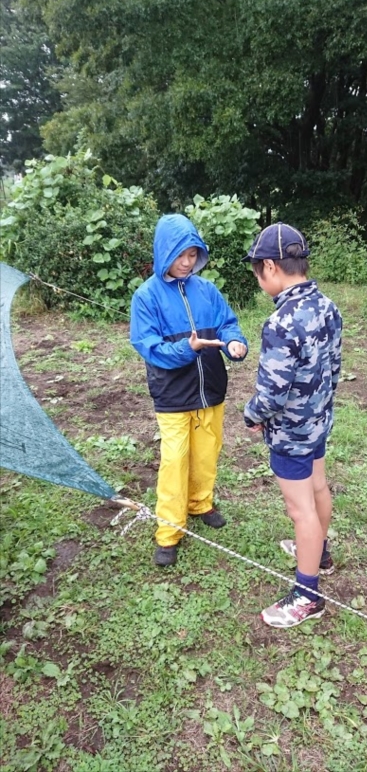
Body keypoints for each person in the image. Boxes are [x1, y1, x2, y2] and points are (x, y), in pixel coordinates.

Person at [130, 213, 248, 566]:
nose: (187, 262)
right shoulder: (146, 296)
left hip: (211, 390)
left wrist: (235, 344)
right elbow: (147, 346)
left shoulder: (207, 290)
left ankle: (201, 503)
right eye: (181, 255)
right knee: (175, 460)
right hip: (172, 396)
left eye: (193, 255)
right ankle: (168, 532)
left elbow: (228, 324)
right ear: (165, 252)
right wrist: (187, 348)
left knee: (206, 452)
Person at [242, 222, 342, 628]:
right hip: (318, 422)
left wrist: (252, 416)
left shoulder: (281, 323)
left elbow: (272, 392)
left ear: (270, 267)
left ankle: (307, 594)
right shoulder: (327, 306)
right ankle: (320, 553)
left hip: (291, 433)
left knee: (299, 509)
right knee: (318, 487)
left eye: (257, 271)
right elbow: (334, 369)